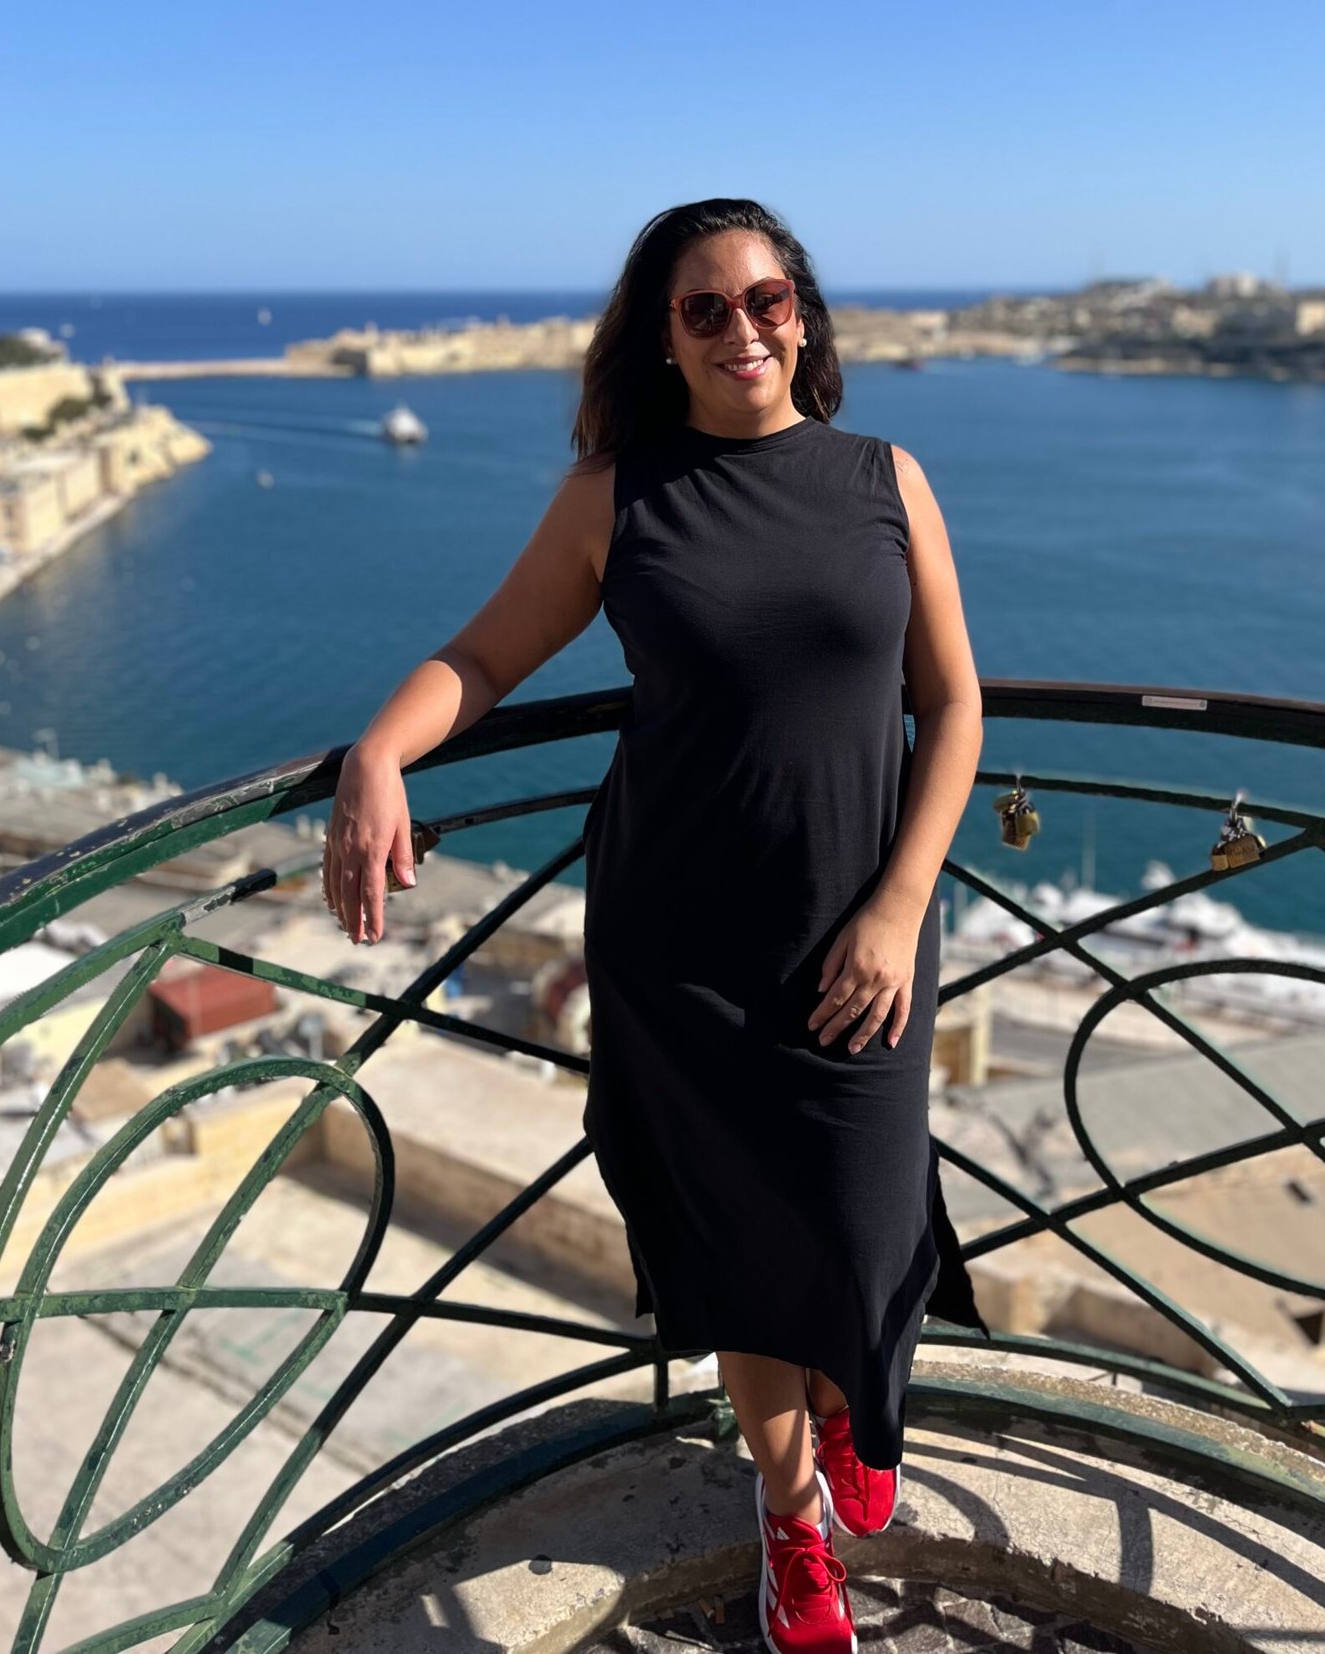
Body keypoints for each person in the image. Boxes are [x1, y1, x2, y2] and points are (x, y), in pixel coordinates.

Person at [323, 198, 990, 1654]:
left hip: (863, 928)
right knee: (742, 1248)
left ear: (802, 316)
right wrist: (378, 752)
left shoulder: (886, 477)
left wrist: (899, 904)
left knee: (868, 1222)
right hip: (680, 945)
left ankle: (849, 1400)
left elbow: (953, 705)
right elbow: (485, 655)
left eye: (767, 299)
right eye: (705, 308)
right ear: (665, 339)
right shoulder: (614, 496)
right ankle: (791, 1521)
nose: (743, 327)